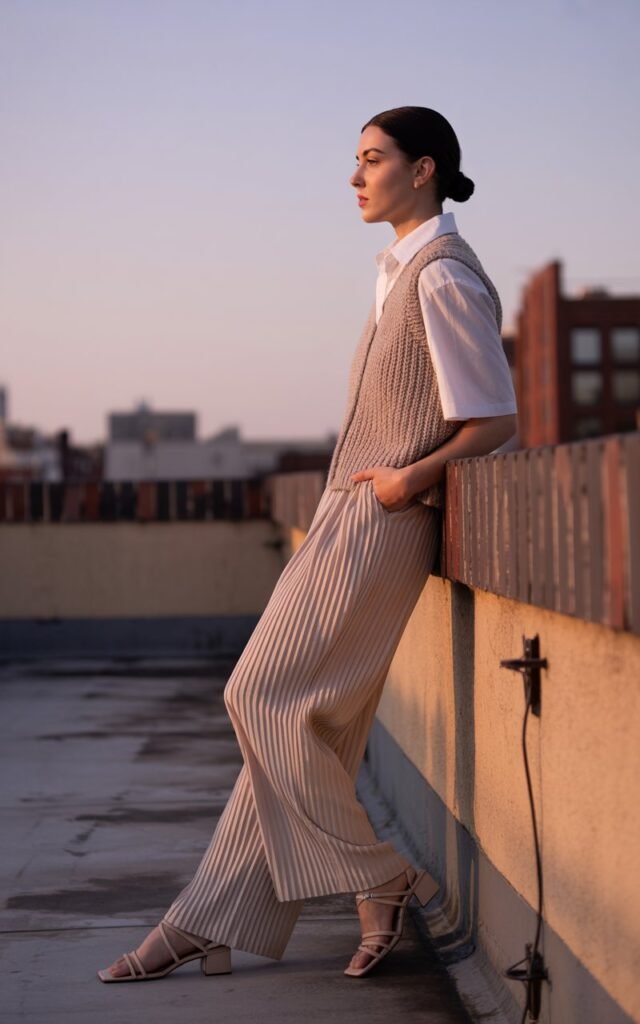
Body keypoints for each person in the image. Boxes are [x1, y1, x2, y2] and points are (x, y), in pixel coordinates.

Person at [98, 105, 517, 984]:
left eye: (373, 159)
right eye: (356, 160)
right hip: (347, 517)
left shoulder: (442, 276)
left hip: (382, 522)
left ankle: (380, 875)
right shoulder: (396, 273)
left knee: (258, 694)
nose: (356, 176)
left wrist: (411, 479)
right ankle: (206, 917)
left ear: (424, 169)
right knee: (305, 727)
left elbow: (495, 420)